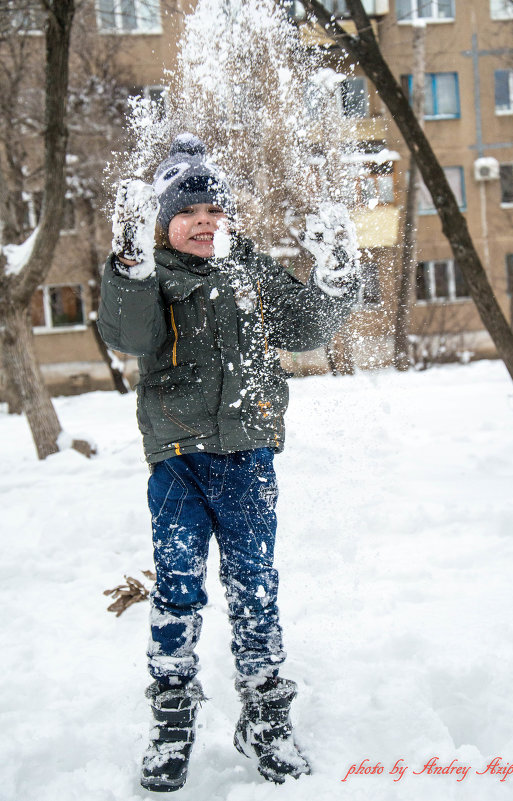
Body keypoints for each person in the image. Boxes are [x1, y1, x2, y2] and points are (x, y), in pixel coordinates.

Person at [97, 133, 360, 792]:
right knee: (178, 591)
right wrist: (127, 263)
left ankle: (267, 719)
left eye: (214, 212)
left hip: (248, 460)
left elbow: (305, 328)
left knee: (254, 590)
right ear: (162, 223)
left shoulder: (250, 270)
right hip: (179, 461)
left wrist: (333, 274)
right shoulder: (152, 276)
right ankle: (172, 723)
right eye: (188, 214)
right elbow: (130, 335)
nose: (204, 222)